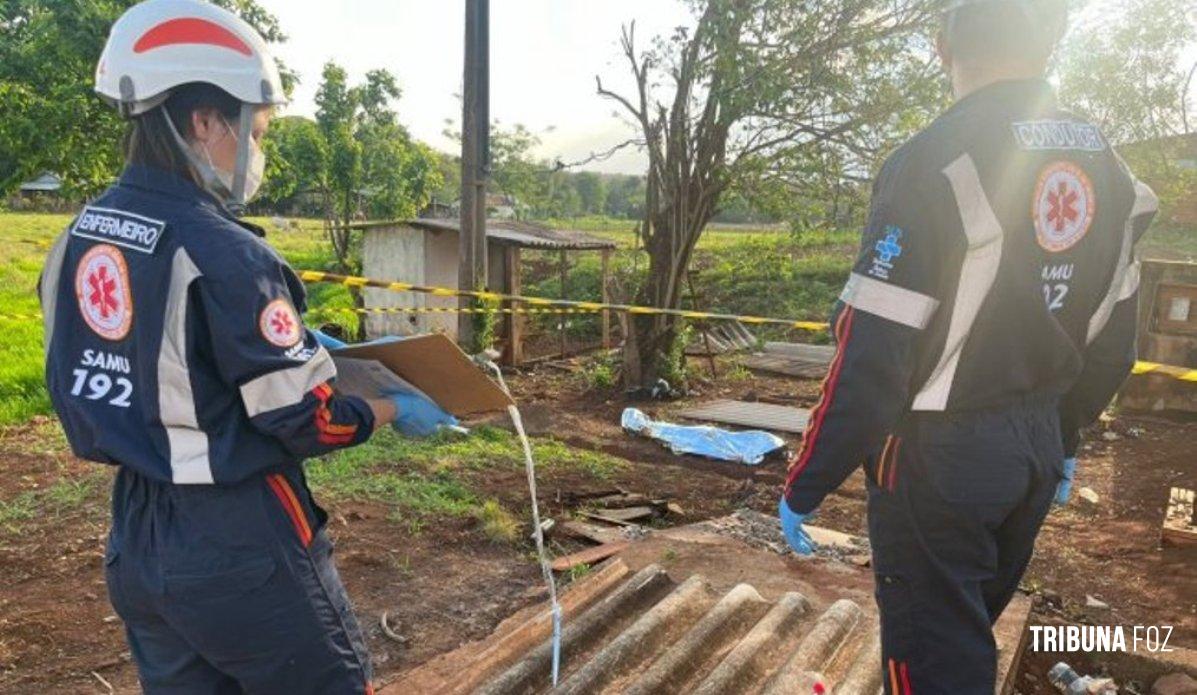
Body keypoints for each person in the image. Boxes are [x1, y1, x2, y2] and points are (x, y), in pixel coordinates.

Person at [38, 1, 456, 692]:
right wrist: (384, 404)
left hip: (137, 539)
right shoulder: (228, 255)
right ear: (203, 121)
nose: (258, 152)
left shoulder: (79, 237)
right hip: (240, 542)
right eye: (255, 131)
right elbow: (307, 417)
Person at [778, 0, 1158, 692]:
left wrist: (808, 478)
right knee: (963, 628)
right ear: (1050, 47)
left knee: (931, 655)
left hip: (936, 454)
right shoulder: (1109, 168)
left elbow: (873, 350)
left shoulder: (931, 158)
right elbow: (1112, 343)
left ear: (940, 47)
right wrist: (1064, 435)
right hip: (1034, 447)